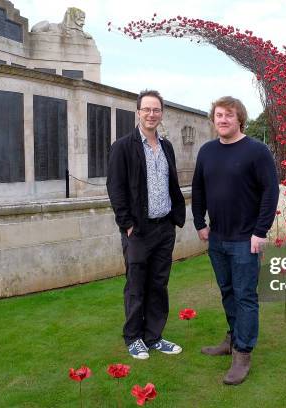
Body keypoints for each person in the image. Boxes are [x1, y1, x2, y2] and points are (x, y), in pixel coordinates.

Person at [192, 96, 279, 385]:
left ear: (239, 118)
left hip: (246, 239)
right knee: (227, 292)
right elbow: (198, 189)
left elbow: (270, 192)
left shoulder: (257, 151)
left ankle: (243, 353)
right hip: (217, 238)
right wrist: (199, 224)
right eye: (218, 115)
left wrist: (260, 231)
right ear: (213, 119)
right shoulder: (206, 152)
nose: (223, 120)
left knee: (245, 296)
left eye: (229, 115)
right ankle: (232, 338)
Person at [107, 89, 185, 359]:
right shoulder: (122, 147)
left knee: (158, 285)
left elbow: (171, 184)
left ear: (161, 114)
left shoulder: (167, 147)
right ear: (138, 112)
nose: (152, 114)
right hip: (138, 231)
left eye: (156, 110)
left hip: (165, 228)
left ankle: (154, 336)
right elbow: (115, 189)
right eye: (147, 109)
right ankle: (133, 337)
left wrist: (175, 218)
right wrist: (126, 224)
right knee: (136, 284)